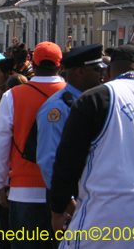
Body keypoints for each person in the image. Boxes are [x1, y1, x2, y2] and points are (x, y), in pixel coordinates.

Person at [49, 44, 134, 248]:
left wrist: (58, 210)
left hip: (107, 213)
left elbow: (67, 162)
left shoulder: (96, 98)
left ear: (108, 70)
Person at [0, 42, 65, 249]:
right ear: (60, 64)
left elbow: (1, 143)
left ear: (33, 62)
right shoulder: (72, 95)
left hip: (24, 189)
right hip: (65, 192)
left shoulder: (13, 96)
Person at [35, 44, 104, 190]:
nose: (102, 75)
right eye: (97, 69)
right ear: (80, 71)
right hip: (72, 198)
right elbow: (49, 160)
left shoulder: (96, 102)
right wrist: (66, 202)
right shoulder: (58, 108)